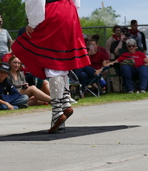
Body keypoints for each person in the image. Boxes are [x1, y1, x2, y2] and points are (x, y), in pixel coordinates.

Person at [11, 0, 90, 133]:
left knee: (50, 60)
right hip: (70, 11)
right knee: (62, 61)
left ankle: (57, 111)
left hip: (54, 10)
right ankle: (65, 102)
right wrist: (74, 10)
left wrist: (33, 22)